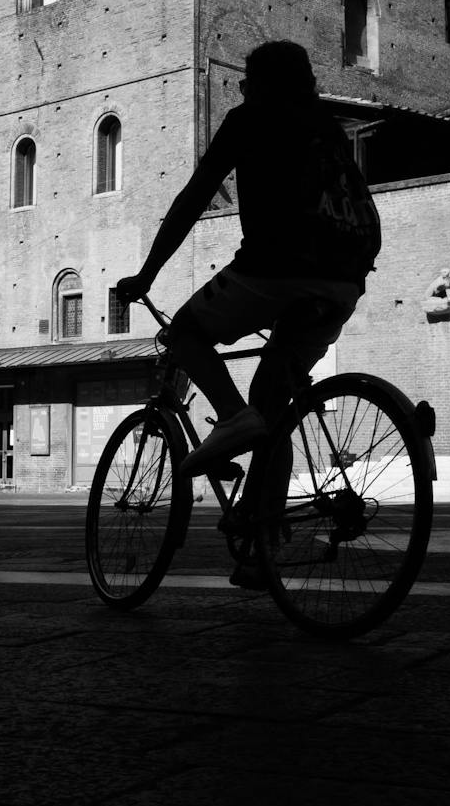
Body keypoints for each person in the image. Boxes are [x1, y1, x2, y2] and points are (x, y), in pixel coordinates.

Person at [116, 39, 381, 500]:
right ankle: (263, 545)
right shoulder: (329, 127)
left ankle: (234, 419)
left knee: (182, 334)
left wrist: (148, 274)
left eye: (245, 83)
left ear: (261, 85)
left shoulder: (250, 119)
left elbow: (193, 198)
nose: (241, 92)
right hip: (343, 282)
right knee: (272, 411)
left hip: (276, 268)